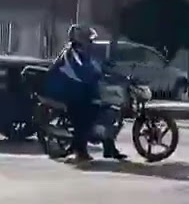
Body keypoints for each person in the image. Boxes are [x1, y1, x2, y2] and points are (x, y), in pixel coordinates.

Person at [43, 24, 127, 162]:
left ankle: (109, 148)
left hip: (82, 90)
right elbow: (79, 72)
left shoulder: (84, 54)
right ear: (80, 40)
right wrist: (94, 76)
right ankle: (80, 151)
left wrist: (111, 72)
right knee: (85, 116)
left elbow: (96, 66)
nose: (91, 43)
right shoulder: (71, 54)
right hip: (70, 93)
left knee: (107, 108)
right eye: (88, 40)